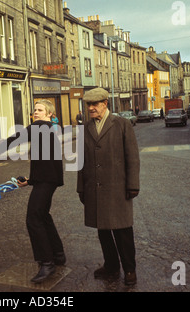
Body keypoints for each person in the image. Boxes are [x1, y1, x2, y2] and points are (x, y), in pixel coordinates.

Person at [0, 99, 64, 284]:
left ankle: (47, 263)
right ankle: (58, 254)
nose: (35, 113)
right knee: (43, 216)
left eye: (40, 110)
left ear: (49, 114)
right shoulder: (48, 129)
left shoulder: (40, 127)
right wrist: (31, 181)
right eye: (35, 110)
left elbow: (15, 139)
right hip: (47, 180)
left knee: (33, 218)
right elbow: (46, 162)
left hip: (46, 181)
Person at [77, 88, 140, 286]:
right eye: (89, 104)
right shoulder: (85, 128)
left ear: (105, 103)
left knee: (122, 231)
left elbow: (133, 157)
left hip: (118, 187)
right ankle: (111, 265)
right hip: (94, 187)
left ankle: (129, 269)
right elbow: (82, 161)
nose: (91, 108)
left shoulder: (122, 124)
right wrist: (81, 187)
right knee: (103, 230)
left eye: (95, 104)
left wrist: (133, 185)